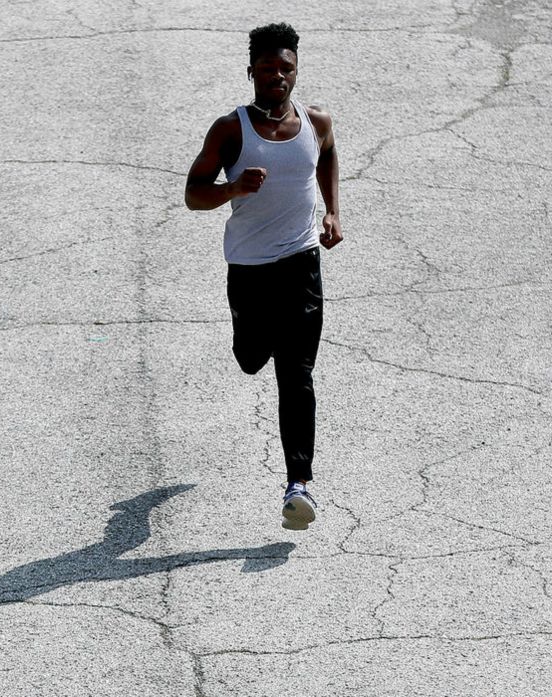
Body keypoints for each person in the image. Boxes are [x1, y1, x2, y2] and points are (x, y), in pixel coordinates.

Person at [184, 22, 343, 531]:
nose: (277, 76)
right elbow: (193, 194)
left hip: (301, 263)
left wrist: (333, 212)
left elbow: (329, 153)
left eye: (286, 68)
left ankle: (298, 485)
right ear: (251, 70)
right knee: (252, 358)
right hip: (249, 268)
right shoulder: (231, 131)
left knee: (296, 375)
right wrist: (233, 190)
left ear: (297, 70)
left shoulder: (316, 121)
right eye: (268, 68)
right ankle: (260, 341)